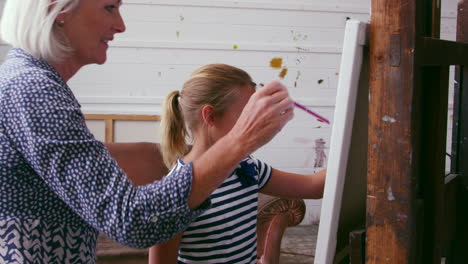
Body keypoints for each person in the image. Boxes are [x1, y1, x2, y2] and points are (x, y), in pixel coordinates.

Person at [0, 1, 294, 263]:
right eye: (109, 7)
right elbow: (133, 221)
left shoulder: (27, 82)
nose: (121, 25)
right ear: (57, 8)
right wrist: (241, 139)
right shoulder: (33, 89)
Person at [149, 64, 326, 264]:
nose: (258, 120)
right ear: (211, 116)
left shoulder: (246, 166)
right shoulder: (177, 191)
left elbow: (314, 187)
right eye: (247, 114)